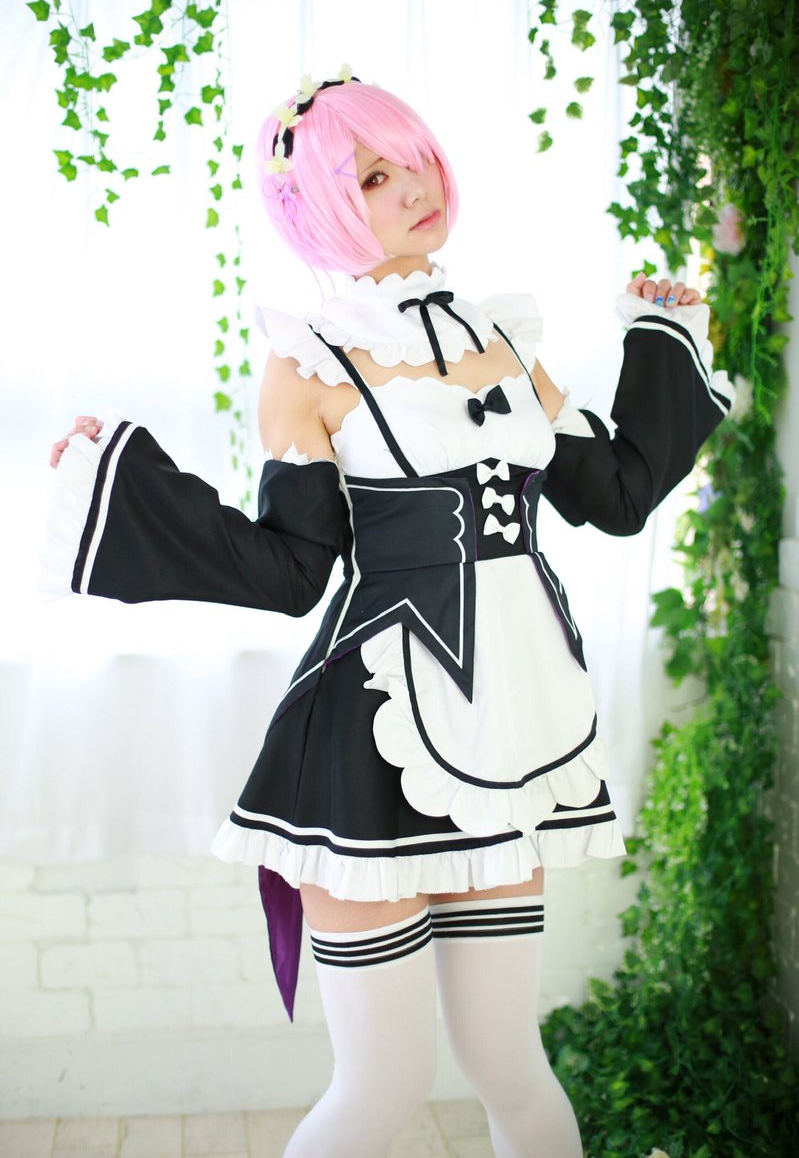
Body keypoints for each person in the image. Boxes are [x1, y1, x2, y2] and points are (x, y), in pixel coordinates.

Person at [45, 66, 734, 1158]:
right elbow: (288, 569)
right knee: (385, 1084)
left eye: (411, 159)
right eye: (371, 176)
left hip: (511, 737)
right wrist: (118, 483)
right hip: (370, 745)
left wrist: (662, 337)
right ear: (320, 206)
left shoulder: (506, 339)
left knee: (509, 1064)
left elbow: (611, 495)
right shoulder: (307, 365)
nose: (412, 184)